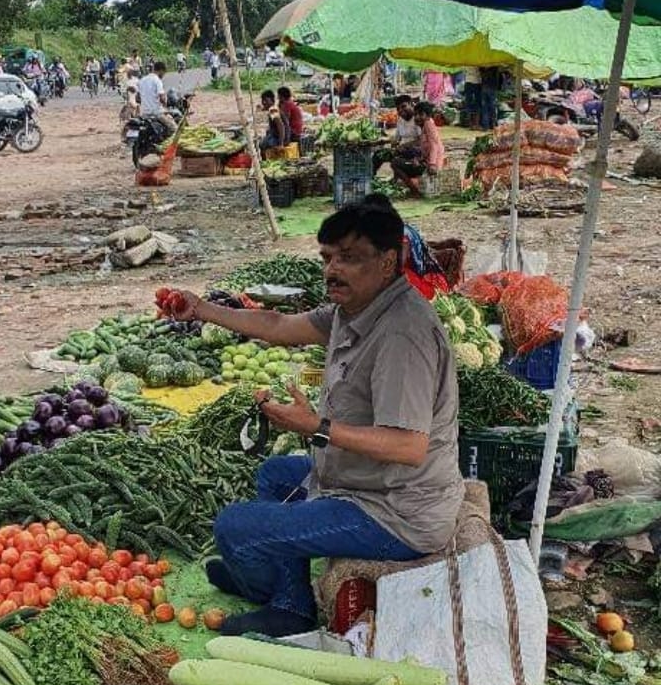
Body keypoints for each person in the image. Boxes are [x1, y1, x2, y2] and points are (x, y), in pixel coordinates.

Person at [172, 197, 463, 636]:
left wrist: (317, 428)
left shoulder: (402, 335)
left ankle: (269, 589)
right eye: (327, 258)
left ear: (389, 262)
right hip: (364, 480)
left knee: (234, 526)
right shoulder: (357, 308)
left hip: (396, 512)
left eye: (349, 259)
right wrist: (204, 309)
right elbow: (278, 326)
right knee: (274, 474)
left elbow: (409, 447)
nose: (332, 271)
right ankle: (285, 597)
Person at [479, 65, 501, 130]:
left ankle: (486, 126)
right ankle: (493, 125)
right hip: (492, 88)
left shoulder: (482, 67)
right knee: (492, 107)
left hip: (484, 88)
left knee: (485, 108)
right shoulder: (495, 67)